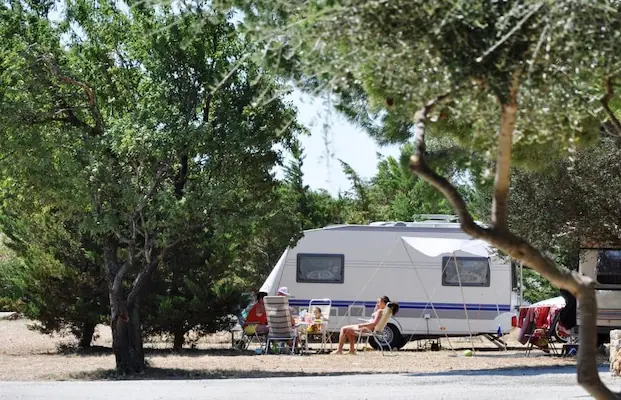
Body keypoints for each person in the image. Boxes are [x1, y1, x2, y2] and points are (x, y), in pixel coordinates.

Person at [333, 295, 400, 355]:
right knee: (348, 330)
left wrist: (361, 325)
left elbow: (374, 323)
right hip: (372, 329)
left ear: (383, 303)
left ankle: (339, 350)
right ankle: (352, 350)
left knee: (343, 329)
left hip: (368, 329)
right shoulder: (385, 312)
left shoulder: (380, 311)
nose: (377, 304)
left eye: (378, 302)